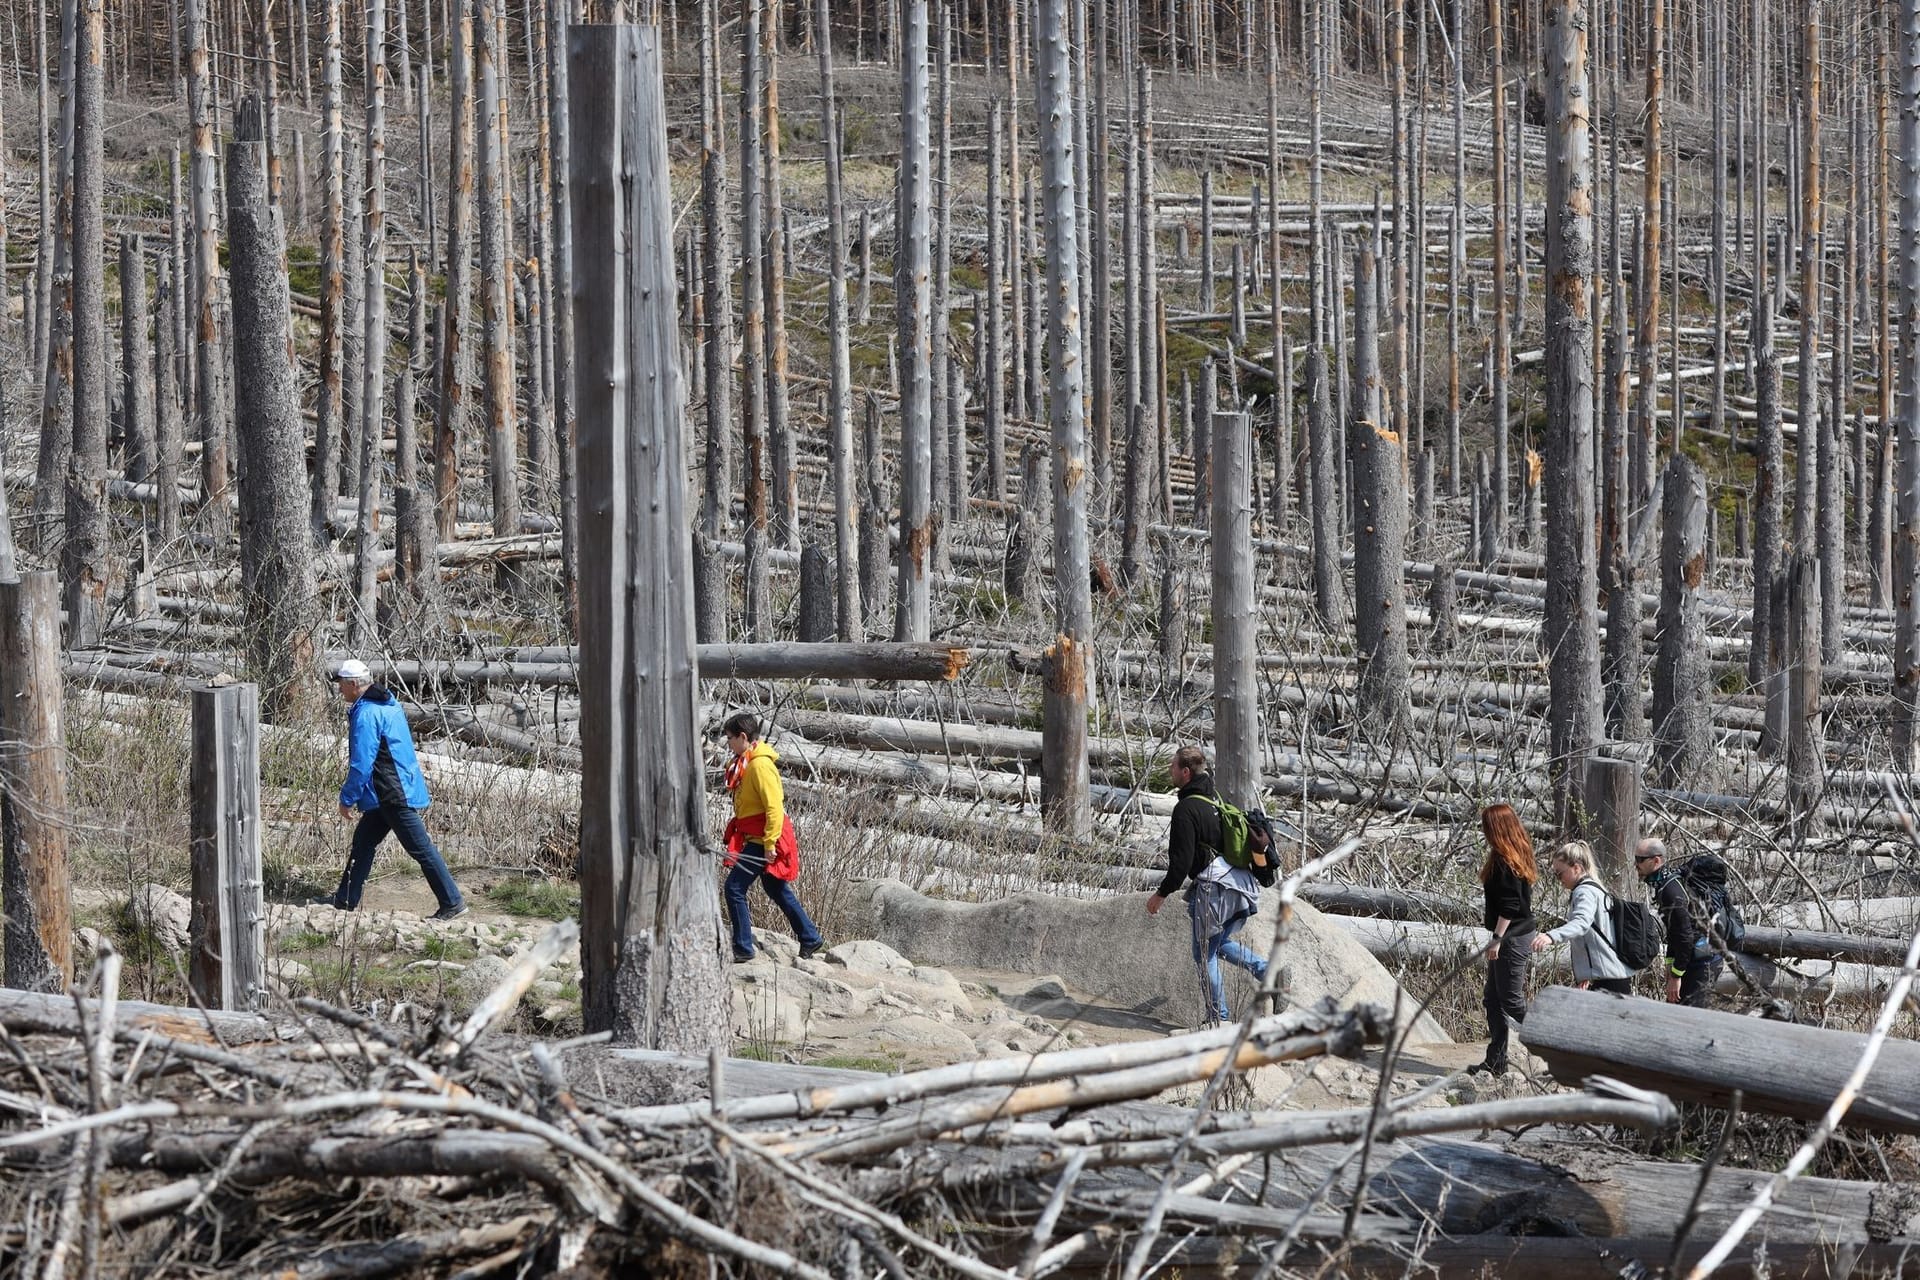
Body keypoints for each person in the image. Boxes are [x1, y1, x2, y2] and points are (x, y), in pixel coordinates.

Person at [330, 659, 467, 920]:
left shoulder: (367, 713)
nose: (339, 690)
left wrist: (348, 797)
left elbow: (362, 762)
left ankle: (453, 902)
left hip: (391, 792)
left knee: (421, 848)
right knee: (363, 842)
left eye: (341, 685)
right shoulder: (387, 704)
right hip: (394, 788)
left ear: (353, 684)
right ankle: (345, 900)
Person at [1146, 745, 1270, 1027]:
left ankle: (1219, 1018)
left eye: (1173, 766)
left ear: (1185, 772)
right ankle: (1267, 972)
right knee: (1217, 945)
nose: (1170, 771)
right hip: (1237, 884)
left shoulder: (1186, 809)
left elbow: (1181, 863)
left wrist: (1160, 894)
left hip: (1213, 888)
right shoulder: (1214, 800)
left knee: (1203, 954)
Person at [721, 713, 825, 964]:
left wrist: (769, 844)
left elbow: (774, 808)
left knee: (734, 888)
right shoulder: (745, 763)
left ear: (743, 737)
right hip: (756, 835)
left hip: (765, 838)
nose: (728, 743)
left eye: (730, 738)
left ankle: (744, 947)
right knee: (774, 887)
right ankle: (810, 936)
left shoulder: (759, 766)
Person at [1474, 803, 1538, 1076]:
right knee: (1492, 998)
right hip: (1512, 934)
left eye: (1487, 825)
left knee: (1511, 1000)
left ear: (1497, 828)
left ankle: (1555, 1040)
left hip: (1512, 936)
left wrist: (1497, 939)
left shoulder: (1505, 860)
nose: (1484, 830)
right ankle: (1496, 1060)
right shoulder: (1512, 853)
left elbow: (1510, 907)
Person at [1530, 841, 1633, 995]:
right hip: (1610, 975)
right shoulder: (1594, 888)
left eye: (1560, 873)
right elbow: (1595, 937)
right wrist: (1588, 972)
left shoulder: (1584, 891)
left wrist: (1550, 936)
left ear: (1576, 868)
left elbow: (1582, 923)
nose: (1559, 879)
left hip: (1609, 979)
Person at [1636, 837, 1716, 1006]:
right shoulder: (1666, 884)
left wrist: (1676, 975)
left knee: (1689, 1020)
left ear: (1656, 860)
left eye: (1640, 860)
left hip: (1702, 961)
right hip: (1694, 958)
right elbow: (1674, 933)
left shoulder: (1671, 891)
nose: (1636, 865)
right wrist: (1670, 964)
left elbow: (1685, 936)